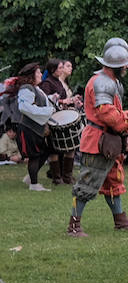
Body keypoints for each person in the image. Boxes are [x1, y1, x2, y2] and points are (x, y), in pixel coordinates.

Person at [68, 37, 128, 237]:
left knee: (113, 182)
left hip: (108, 141)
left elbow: (114, 113)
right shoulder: (101, 82)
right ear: (115, 65)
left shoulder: (112, 81)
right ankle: (74, 226)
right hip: (97, 142)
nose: (127, 66)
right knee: (87, 184)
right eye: (124, 64)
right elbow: (107, 114)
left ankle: (121, 221)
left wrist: (127, 129)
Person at [11, 63, 55, 191]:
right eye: (38, 72)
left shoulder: (35, 88)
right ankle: (34, 184)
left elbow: (41, 102)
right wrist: (47, 112)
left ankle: (30, 177)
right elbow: (24, 107)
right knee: (35, 155)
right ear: (32, 75)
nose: (41, 74)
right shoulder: (26, 88)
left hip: (36, 128)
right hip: (28, 128)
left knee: (45, 151)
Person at [40, 57, 80, 186]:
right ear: (53, 70)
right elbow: (44, 100)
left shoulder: (58, 82)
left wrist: (71, 101)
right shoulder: (47, 83)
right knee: (54, 150)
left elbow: (62, 99)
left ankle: (67, 176)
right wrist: (62, 101)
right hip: (53, 120)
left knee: (70, 148)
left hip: (62, 119)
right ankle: (57, 178)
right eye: (60, 68)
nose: (62, 70)